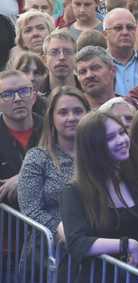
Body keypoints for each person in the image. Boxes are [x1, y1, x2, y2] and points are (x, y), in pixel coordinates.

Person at [60, 111, 138, 283]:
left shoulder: (135, 181)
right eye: (111, 137)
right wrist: (127, 245)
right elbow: (77, 242)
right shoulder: (75, 191)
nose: (122, 140)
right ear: (93, 147)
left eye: (122, 132)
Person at [17, 86, 88, 240]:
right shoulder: (38, 158)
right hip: (49, 251)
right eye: (63, 112)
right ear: (51, 118)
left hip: (99, 247)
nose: (71, 118)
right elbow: (30, 210)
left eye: (78, 111)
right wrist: (65, 231)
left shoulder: (100, 156)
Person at [0, 70, 42, 204]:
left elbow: (69, 170)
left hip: (51, 218)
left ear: (34, 97)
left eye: (24, 91)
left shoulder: (52, 130)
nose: (18, 99)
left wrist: (25, 178)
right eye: (7, 94)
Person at [104, 7, 138, 95]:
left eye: (130, 27)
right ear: (105, 34)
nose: (125, 32)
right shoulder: (98, 66)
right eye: (118, 28)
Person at [74, 45, 116, 110]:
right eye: (83, 72)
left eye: (95, 68)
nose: (89, 75)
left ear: (112, 71)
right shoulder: (73, 111)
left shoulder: (129, 107)